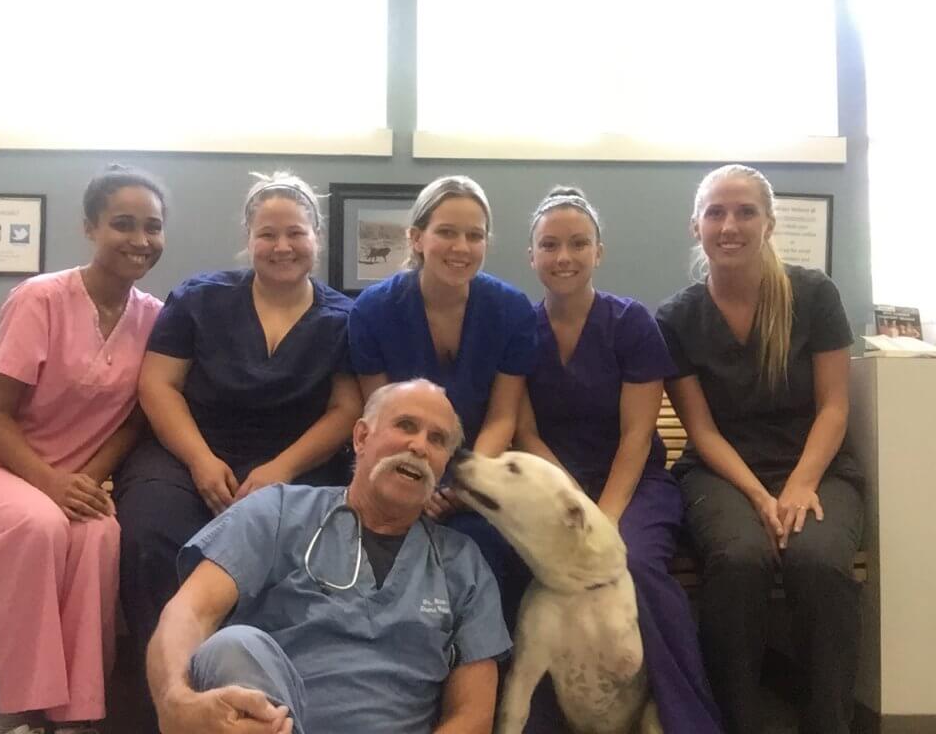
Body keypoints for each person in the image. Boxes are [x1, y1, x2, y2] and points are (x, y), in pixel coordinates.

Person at [0, 164, 168, 734]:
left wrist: (83, 482)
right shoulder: (40, 299)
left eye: (153, 227)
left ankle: (77, 715)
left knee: (100, 531)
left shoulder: (156, 319)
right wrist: (52, 483)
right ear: (90, 227)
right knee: (39, 526)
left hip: (67, 477)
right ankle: (19, 712)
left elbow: (134, 422)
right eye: (123, 224)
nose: (140, 240)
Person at [146, 379, 510, 734]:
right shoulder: (276, 513)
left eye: (438, 440)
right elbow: (188, 612)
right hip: (278, 715)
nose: (419, 446)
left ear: (445, 464)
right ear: (362, 437)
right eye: (406, 426)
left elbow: (473, 715)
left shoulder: (464, 565)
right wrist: (175, 703)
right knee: (232, 646)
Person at [114, 172, 362, 685]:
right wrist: (201, 461)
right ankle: (169, 689)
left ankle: (269, 690)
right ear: (248, 238)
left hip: (295, 464)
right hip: (187, 453)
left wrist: (281, 469)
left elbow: (345, 410)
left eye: (295, 232)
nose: (281, 246)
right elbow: (159, 385)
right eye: (267, 234)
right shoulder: (199, 299)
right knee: (150, 535)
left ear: (315, 237)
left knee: (300, 555)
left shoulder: (344, 318)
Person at [655, 164, 864, 734]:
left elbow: (833, 408)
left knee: (818, 561)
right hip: (721, 474)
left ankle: (829, 723)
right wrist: (756, 494)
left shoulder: (814, 294)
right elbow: (701, 430)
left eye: (745, 211)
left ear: (769, 223)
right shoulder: (676, 317)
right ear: (695, 225)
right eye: (716, 212)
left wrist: (799, 485)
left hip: (815, 468)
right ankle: (733, 721)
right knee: (739, 560)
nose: (730, 225)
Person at [513, 187, 723, 734]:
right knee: (526, 567)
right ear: (531, 255)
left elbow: (637, 434)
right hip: (554, 482)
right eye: (550, 245)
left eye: (579, 244)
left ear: (598, 252)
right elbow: (525, 430)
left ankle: (687, 720)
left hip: (632, 483)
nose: (565, 257)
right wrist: (567, 501)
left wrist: (602, 516)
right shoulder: (518, 329)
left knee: (629, 564)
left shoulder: (629, 323)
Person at [347, 175, 536, 581]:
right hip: (395, 469)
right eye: (446, 232)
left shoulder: (512, 311)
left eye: (475, 235)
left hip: (474, 478)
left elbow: (504, 416)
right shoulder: (372, 312)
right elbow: (383, 420)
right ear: (416, 237)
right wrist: (418, 483)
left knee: (486, 546)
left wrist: (464, 486)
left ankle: (485, 648)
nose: (461, 248)